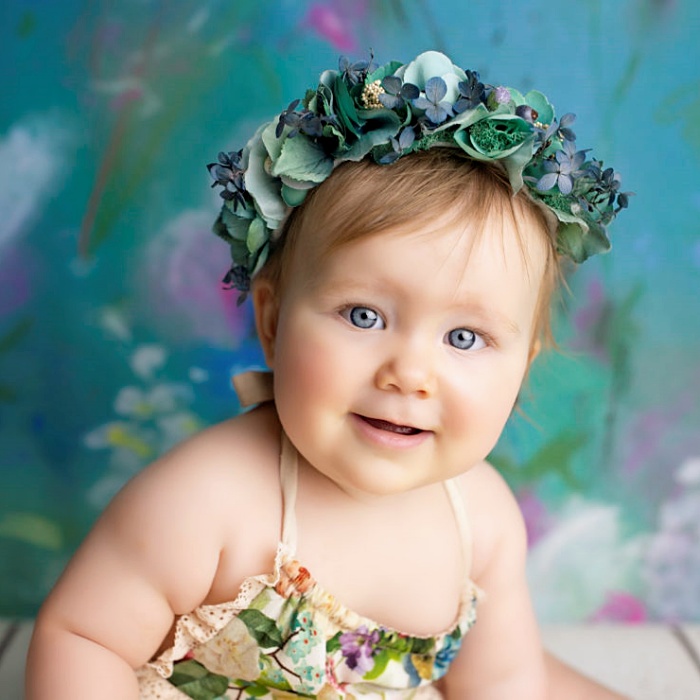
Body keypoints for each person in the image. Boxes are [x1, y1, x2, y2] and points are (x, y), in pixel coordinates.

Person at [26, 51, 632, 699]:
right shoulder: (205, 502)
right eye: (364, 315)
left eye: (464, 337)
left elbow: (504, 683)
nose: (409, 373)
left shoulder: (480, 520)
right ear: (272, 319)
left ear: (523, 366)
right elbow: (83, 640)